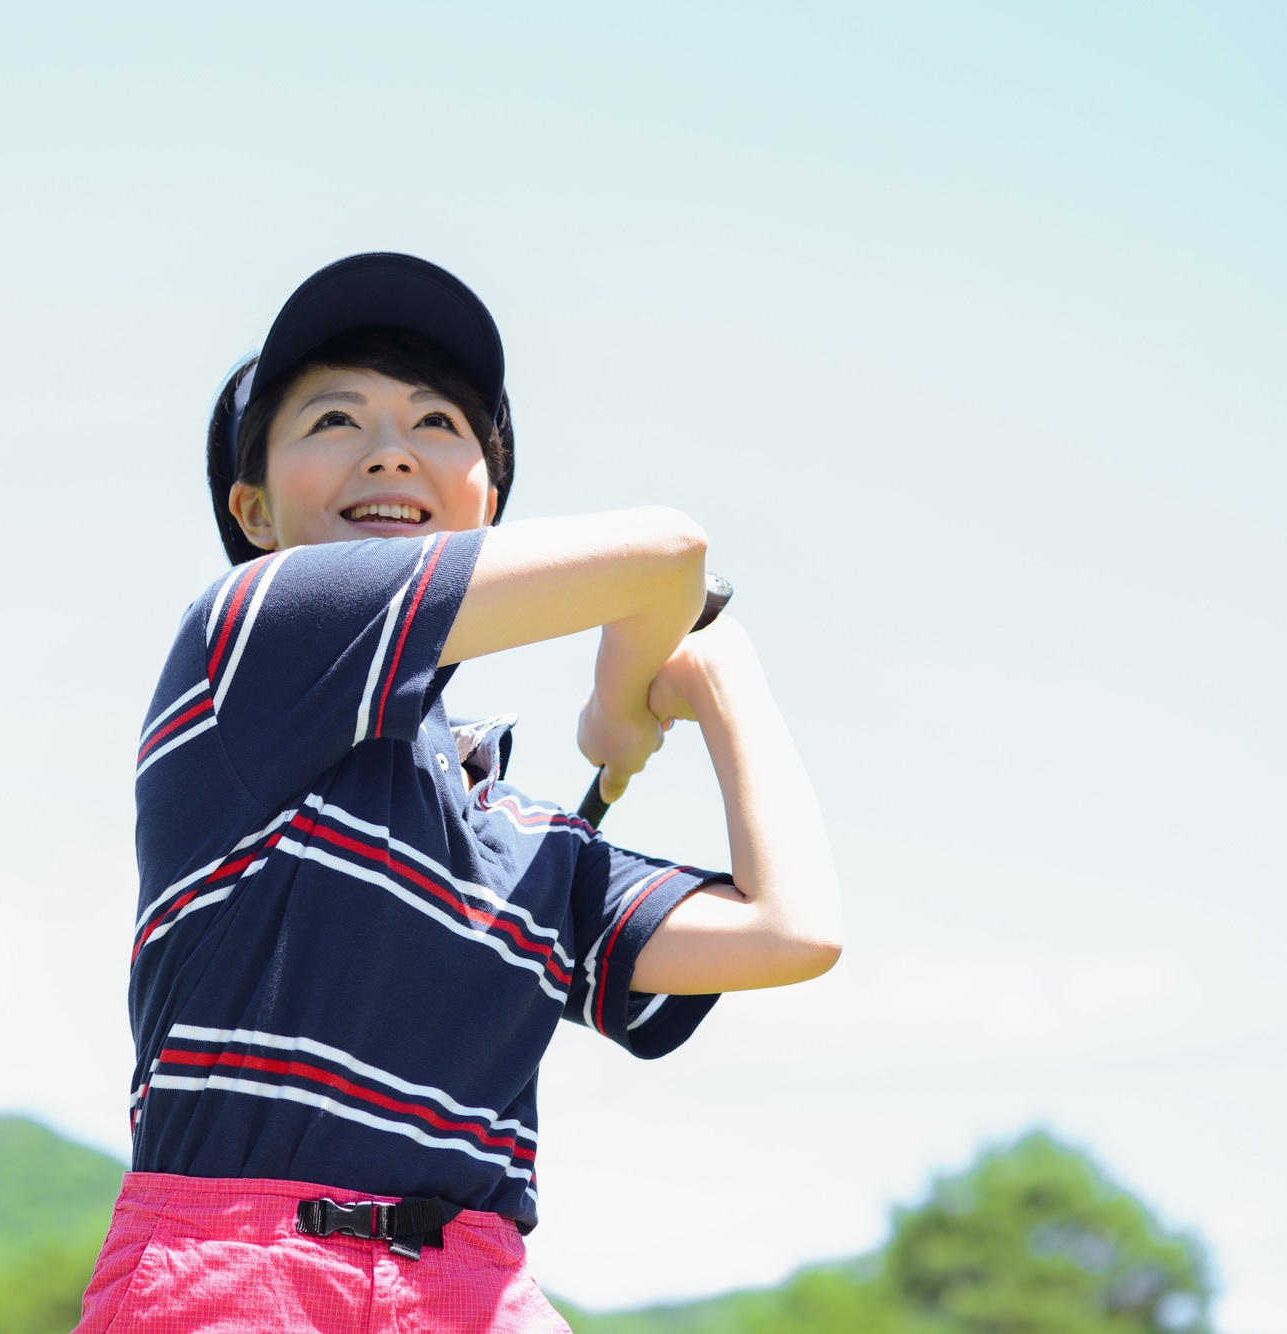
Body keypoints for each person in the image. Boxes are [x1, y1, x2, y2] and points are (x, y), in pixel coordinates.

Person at [77, 253, 843, 1333]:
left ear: (490, 504)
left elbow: (789, 930)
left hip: (474, 1289)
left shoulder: (531, 843)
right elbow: (667, 550)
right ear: (251, 508)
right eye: (333, 419)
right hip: (240, 1278)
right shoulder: (252, 635)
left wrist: (726, 680)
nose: (389, 447)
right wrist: (616, 707)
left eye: (440, 423)